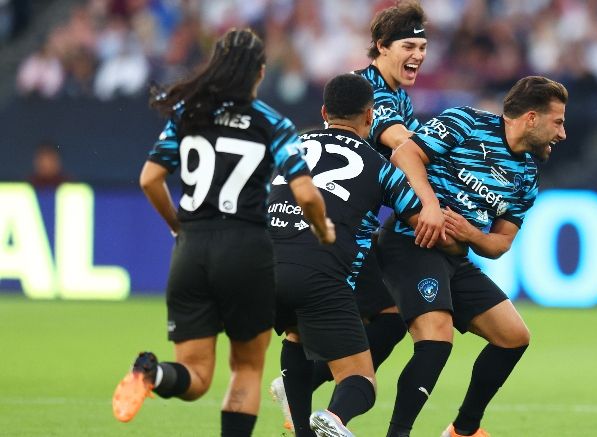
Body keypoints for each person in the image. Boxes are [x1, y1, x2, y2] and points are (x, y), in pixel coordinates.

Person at [111, 28, 334, 437]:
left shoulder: (188, 113)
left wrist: (180, 226)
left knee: (194, 376)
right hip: (246, 251)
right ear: (260, 73)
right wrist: (323, 230)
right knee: (246, 369)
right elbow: (305, 192)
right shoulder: (272, 122)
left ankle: (153, 373)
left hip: (191, 252)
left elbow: (149, 179)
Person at [269, 1, 445, 429]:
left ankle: (302, 384)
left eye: (423, 45)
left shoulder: (393, 95)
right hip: (343, 234)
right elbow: (402, 146)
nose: (419, 55)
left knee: (317, 323)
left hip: (301, 238)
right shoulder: (373, 97)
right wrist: (437, 198)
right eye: (409, 45)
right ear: (381, 48)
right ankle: (325, 398)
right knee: (387, 317)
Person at [379, 76, 568, 437]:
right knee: (435, 337)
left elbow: (500, 244)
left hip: (454, 256)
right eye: (557, 122)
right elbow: (405, 153)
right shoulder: (467, 122)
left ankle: (464, 429)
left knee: (514, 336)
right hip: (411, 241)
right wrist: (431, 205)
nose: (562, 133)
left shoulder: (527, 175)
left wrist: (471, 234)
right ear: (531, 118)